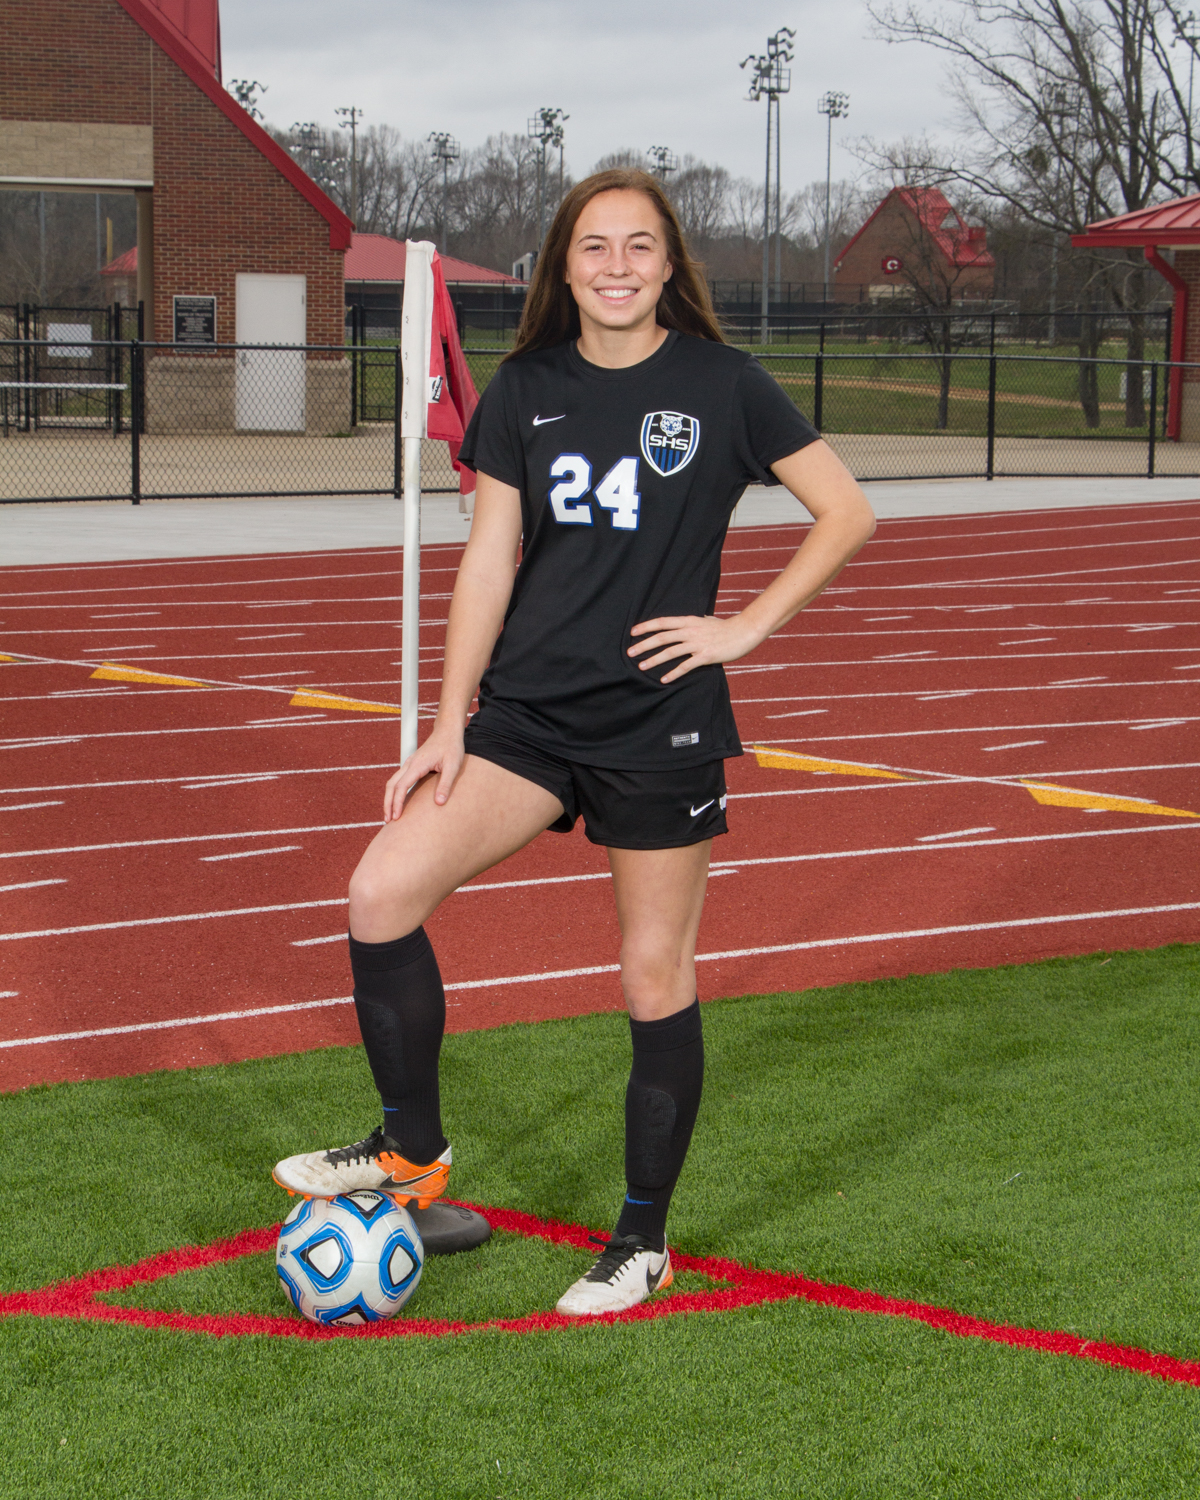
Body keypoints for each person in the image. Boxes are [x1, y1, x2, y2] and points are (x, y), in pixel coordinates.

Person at [273, 168, 875, 1316]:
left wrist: (744, 628)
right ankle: (410, 1153)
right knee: (381, 891)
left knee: (651, 974)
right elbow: (488, 561)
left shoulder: (723, 384)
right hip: (529, 717)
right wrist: (448, 721)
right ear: (564, 264)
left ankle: (640, 1240)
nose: (616, 266)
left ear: (669, 264)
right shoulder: (527, 388)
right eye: (594, 246)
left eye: (638, 245)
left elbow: (846, 510)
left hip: (660, 721)